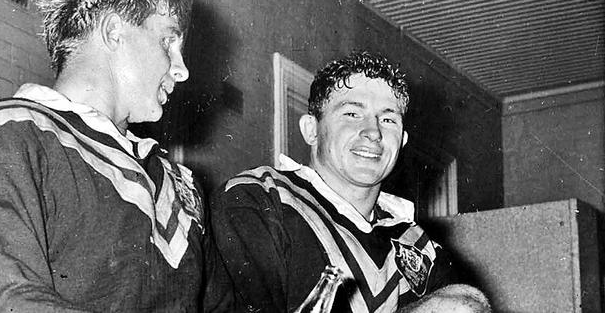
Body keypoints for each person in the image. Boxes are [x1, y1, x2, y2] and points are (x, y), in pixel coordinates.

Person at [0, 0, 232, 312]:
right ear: (114, 32)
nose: (182, 69)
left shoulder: (180, 186)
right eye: (167, 41)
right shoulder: (8, 133)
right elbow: (1, 299)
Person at [210, 51, 491, 312]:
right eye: (352, 114)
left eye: (388, 119)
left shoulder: (417, 242)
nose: (373, 132)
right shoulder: (259, 199)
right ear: (311, 130)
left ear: (402, 142)